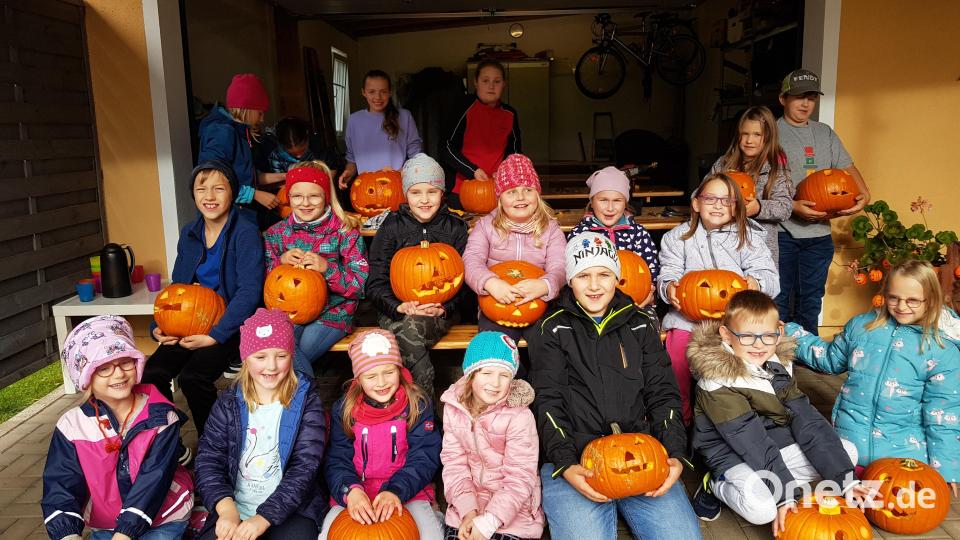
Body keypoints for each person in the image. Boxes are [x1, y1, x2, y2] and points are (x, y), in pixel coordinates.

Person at [528, 232, 700, 540]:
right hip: (576, 456)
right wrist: (565, 463)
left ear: (617, 277)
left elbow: (663, 391)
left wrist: (674, 452)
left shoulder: (641, 324)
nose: (594, 285)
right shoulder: (550, 329)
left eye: (604, 274)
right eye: (583, 276)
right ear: (570, 280)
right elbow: (548, 401)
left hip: (638, 453)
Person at [686, 291, 870, 536]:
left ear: (779, 332)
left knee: (847, 453)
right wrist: (785, 496)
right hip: (731, 453)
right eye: (748, 336)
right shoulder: (717, 383)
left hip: (774, 443)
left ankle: (778, 480)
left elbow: (808, 422)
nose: (759, 344)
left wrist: (846, 482)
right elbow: (753, 444)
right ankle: (716, 484)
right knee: (762, 509)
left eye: (767, 336)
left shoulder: (776, 365)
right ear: (727, 336)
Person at [787, 260, 960, 497]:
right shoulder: (862, 327)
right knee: (842, 517)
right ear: (884, 294)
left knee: (893, 512)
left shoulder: (942, 350)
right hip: (849, 451)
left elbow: (943, 415)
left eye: (912, 300)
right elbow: (829, 359)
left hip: (901, 461)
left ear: (930, 299)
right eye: (893, 298)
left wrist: (947, 469)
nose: (901, 306)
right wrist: (789, 334)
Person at [141, 160, 263, 445]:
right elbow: (178, 287)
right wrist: (159, 326)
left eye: (219, 188)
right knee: (153, 373)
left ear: (232, 193)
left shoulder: (244, 232)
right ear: (193, 194)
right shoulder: (190, 233)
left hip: (229, 325)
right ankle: (168, 443)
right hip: (188, 323)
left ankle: (214, 448)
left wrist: (215, 335)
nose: (210, 196)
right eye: (201, 189)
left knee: (193, 378)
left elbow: (249, 292)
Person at [42, 316, 194, 540]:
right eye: (103, 368)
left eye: (126, 361)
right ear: (85, 377)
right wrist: (66, 533)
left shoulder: (161, 417)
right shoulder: (72, 426)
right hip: (106, 522)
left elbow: (154, 479)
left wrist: (125, 533)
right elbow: (61, 482)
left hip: (164, 516)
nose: (119, 373)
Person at [193, 308, 328, 539]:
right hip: (235, 506)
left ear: (292, 356)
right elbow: (208, 459)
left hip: (291, 507)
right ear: (245, 358)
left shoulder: (306, 400)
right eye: (260, 357)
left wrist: (263, 518)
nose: (272, 366)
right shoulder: (228, 403)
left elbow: (305, 466)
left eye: (281, 356)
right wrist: (225, 509)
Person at [657, 173, 779, 424]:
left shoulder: (749, 237)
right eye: (710, 198)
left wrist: (756, 282)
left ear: (737, 207)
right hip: (688, 320)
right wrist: (668, 288)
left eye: (727, 201)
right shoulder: (677, 238)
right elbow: (667, 272)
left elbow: (770, 276)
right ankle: (681, 417)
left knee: (744, 365)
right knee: (676, 358)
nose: (718, 205)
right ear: (696, 204)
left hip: (738, 323)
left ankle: (740, 416)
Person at [320, 329, 444, 539]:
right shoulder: (345, 409)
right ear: (358, 378)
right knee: (328, 536)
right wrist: (350, 490)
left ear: (399, 369)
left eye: (389, 372)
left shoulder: (417, 405)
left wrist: (396, 490)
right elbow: (337, 459)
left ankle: (435, 517)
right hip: (358, 491)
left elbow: (424, 456)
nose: (381, 382)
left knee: (431, 536)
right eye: (371, 376)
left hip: (407, 490)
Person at [776, 69, 870, 334]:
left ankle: (807, 350)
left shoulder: (824, 133)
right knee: (779, 298)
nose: (805, 104)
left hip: (818, 235)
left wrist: (863, 195)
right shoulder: (770, 132)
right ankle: (778, 353)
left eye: (810, 98)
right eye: (798, 97)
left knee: (811, 297)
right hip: (781, 232)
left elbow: (848, 169)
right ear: (783, 99)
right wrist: (792, 206)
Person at [366, 153, 469, 391]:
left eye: (432, 191)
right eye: (416, 192)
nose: (424, 199)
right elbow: (375, 282)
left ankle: (418, 407)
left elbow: (466, 284)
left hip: (440, 311)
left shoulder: (455, 228)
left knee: (409, 332)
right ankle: (424, 398)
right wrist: (397, 306)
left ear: (442, 193)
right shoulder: (391, 228)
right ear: (405, 194)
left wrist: (445, 308)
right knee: (404, 331)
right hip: (394, 310)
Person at [263, 162, 368, 377]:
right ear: (288, 197)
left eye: (314, 196)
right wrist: (280, 263)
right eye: (297, 196)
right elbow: (262, 282)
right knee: (277, 350)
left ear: (326, 197)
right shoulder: (276, 234)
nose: (305, 203)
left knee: (290, 358)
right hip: (287, 312)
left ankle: (300, 409)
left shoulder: (344, 231)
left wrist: (327, 269)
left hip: (333, 313)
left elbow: (359, 285)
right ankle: (307, 408)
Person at [440, 332, 544, 540]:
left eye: (504, 375)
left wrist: (489, 522)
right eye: (486, 373)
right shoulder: (454, 408)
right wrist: (468, 512)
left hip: (513, 515)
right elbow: (454, 465)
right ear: (471, 374)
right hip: (467, 508)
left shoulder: (519, 416)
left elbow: (520, 477)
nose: (495, 383)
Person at [462, 153, 565, 346]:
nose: (520, 197)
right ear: (500, 198)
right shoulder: (486, 226)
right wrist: (490, 282)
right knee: (495, 346)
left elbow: (560, 265)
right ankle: (508, 376)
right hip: (497, 304)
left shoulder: (551, 230)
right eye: (511, 191)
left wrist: (546, 285)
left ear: (537, 194)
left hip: (540, 304)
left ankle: (540, 377)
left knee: (549, 346)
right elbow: (471, 260)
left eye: (527, 189)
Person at [570, 166, 660, 325]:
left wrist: (649, 292)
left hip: (636, 303)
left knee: (647, 326)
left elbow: (650, 269)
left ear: (625, 202)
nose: (610, 208)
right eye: (603, 200)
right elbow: (573, 272)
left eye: (617, 200)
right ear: (592, 202)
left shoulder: (638, 233)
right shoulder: (581, 235)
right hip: (593, 303)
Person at [708, 106, 794, 263]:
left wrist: (758, 208)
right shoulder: (723, 164)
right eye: (745, 134)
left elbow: (785, 207)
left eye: (757, 135)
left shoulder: (776, 168)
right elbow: (698, 194)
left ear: (768, 137)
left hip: (759, 251)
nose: (749, 140)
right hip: (722, 246)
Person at [198, 73, 284, 225]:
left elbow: (245, 176)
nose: (262, 119)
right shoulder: (222, 133)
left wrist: (286, 176)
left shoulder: (240, 132)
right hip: (225, 220)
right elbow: (211, 181)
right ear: (247, 108)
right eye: (260, 113)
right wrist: (255, 195)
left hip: (242, 216)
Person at [443, 60, 521, 207]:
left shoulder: (510, 114)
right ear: (476, 83)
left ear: (504, 84)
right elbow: (447, 148)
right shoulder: (462, 107)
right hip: (462, 189)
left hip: (499, 189)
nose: (491, 86)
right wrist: (473, 171)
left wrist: (505, 171)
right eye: (485, 81)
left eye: (497, 81)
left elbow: (515, 153)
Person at [337, 70, 422, 191]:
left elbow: (416, 156)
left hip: (397, 185)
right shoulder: (354, 120)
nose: (377, 97)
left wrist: (398, 174)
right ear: (363, 92)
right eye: (372, 92)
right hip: (365, 189)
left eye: (383, 92)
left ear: (390, 92)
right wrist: (348, 173)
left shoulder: (404, 117)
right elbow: (352, 159)